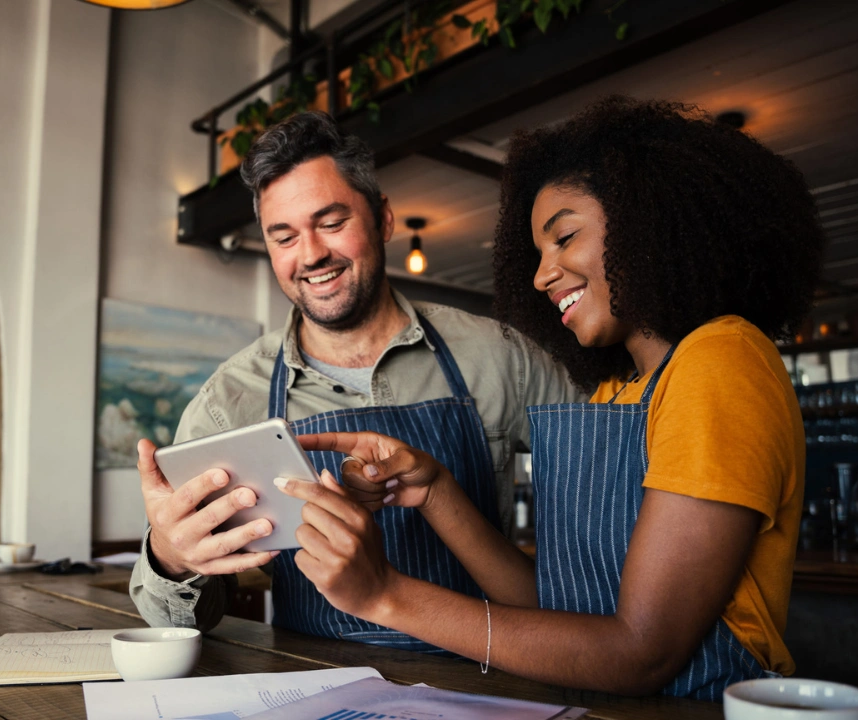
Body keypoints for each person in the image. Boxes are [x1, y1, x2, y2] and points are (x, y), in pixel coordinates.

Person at [275, 96, 825, 700]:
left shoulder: (721, 361)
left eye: (564, 237)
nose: (542, 275)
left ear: (649, 222)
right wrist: (435, 491)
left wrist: (383, 595)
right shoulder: (622, 391)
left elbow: (640, 651)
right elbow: (558, 611)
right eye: (538, 253)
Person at [129, 111, 582, 652]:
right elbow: (182, 624)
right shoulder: (230, 402)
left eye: (332, 221)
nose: (312, 254)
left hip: (499, 675)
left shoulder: (501, 356)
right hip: (312, 685)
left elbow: (609, 508)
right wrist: (171, 558)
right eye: (284, 236)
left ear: (383, 219)